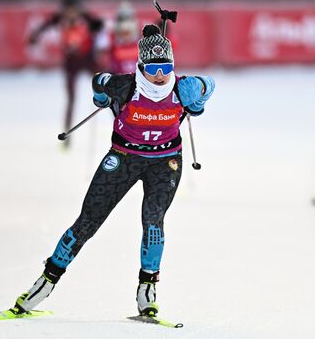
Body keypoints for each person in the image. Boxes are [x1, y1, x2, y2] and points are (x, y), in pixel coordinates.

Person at [13, 24, 215, 317]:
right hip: (123, 157)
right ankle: (44, 283)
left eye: (166, 67)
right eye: (153, 68)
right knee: (88, 221)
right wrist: (101, 97)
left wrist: (200, 93)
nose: (160, 76)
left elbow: (209, 84)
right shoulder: (125, 86)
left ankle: (147, 291)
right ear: (140, 66)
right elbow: (99, 81)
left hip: (165, 161)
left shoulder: (181, 88)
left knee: (153, 221)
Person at [28, 0, 103, 147]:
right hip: (71, 62)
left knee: (106, 89)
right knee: (71, 99)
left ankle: (122, 126)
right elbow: (45, 26)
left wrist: (97, 26)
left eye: (73, 10)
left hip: (88, 60)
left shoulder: (85, 18)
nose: (70, 14)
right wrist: (35, 36)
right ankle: (67, 135)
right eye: (68, 10)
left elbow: (99, 25)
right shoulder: (59, 18)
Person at [95, 1, 140, 75]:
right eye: (122, 19)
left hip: (137, 82)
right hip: (117, 80)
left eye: (128, 19)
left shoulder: (141, 38)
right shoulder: (110, 37)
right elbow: (100, 59)